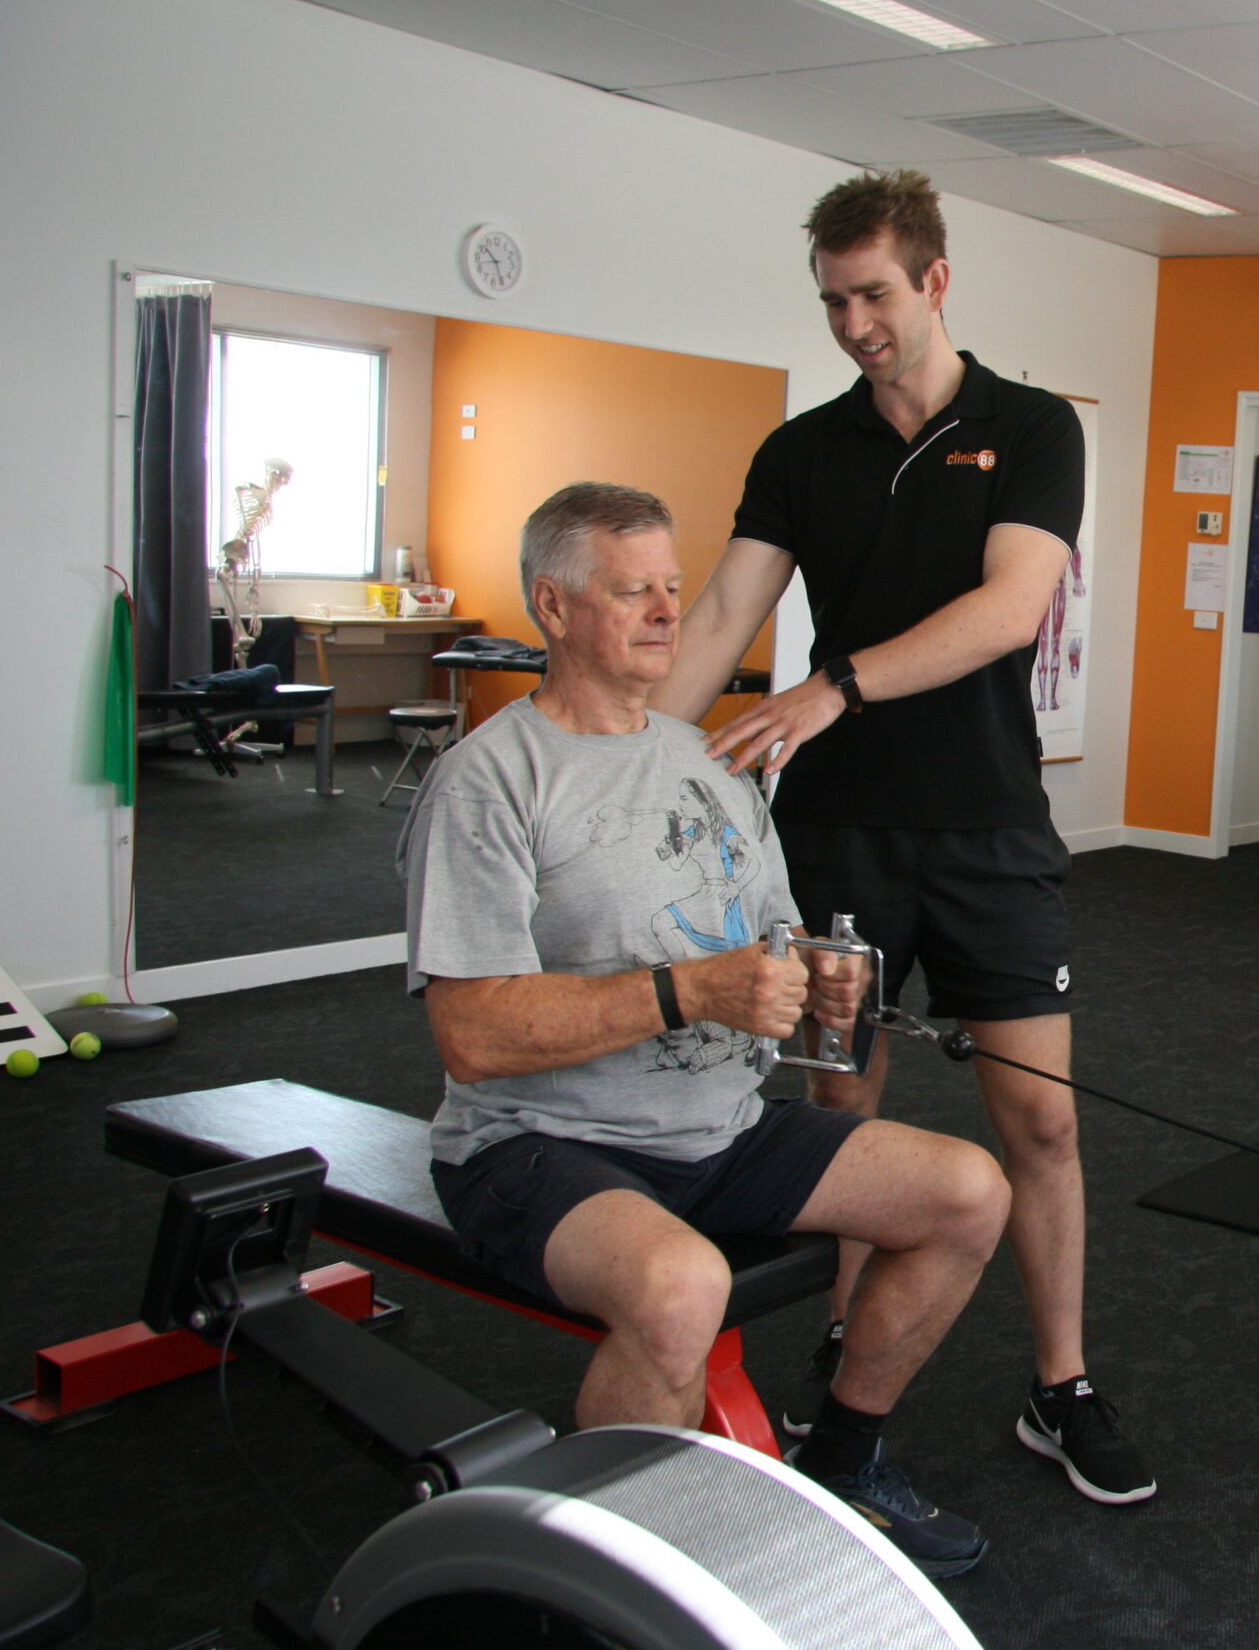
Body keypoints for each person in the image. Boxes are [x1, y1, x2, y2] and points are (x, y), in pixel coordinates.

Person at [654, 169, 1154, 1507]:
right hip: (836, 835)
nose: (854, 324)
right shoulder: (801, 450)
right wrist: (617, 757)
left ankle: (1062, 1384)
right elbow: (722, 616)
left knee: (1040, 1120)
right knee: (843, 1112)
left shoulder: (1032, 426)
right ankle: (845, 1344)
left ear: (936, 280)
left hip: (990, 831)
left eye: (873, 294)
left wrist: (835, 684)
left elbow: (1009, 609)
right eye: (833, 301)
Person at [402, 481, 1011, 1576]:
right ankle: (605, 1577)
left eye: (672, 589)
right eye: (630, 591)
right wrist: (691, 990)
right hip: (537, 1145)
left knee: (967, 1192)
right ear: (553, 606)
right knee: (682, 1287)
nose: (665, 614)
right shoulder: (489, 781)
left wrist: (818, 985)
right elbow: (474, 1035)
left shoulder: (710, 761)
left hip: (720, 1130)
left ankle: (842, 1457)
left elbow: (773, 948)